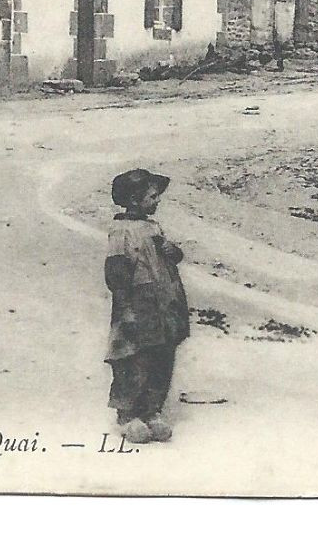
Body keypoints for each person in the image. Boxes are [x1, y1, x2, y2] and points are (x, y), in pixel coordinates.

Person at [104, 168, 190, 444]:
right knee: (135, 357)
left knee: (162, 355)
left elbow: (171, 258)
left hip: (164, 300)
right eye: (152, 196)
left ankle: (152, 410)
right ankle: (128, 414)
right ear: (134, 199)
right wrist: (125, 306)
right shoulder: (121, 231)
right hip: (138, 304)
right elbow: (116, 273)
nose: (157, 201)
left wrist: (171, 251)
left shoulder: (153, 227)